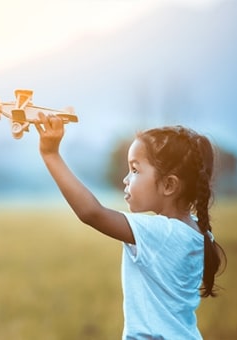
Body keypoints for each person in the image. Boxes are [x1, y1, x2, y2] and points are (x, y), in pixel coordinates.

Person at [34, 112, 226, 339]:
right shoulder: (195, 231)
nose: (126, 179)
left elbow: (91, 213)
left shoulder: (162, 233)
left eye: (135, 170)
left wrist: (50, 154)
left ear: (169, 185)